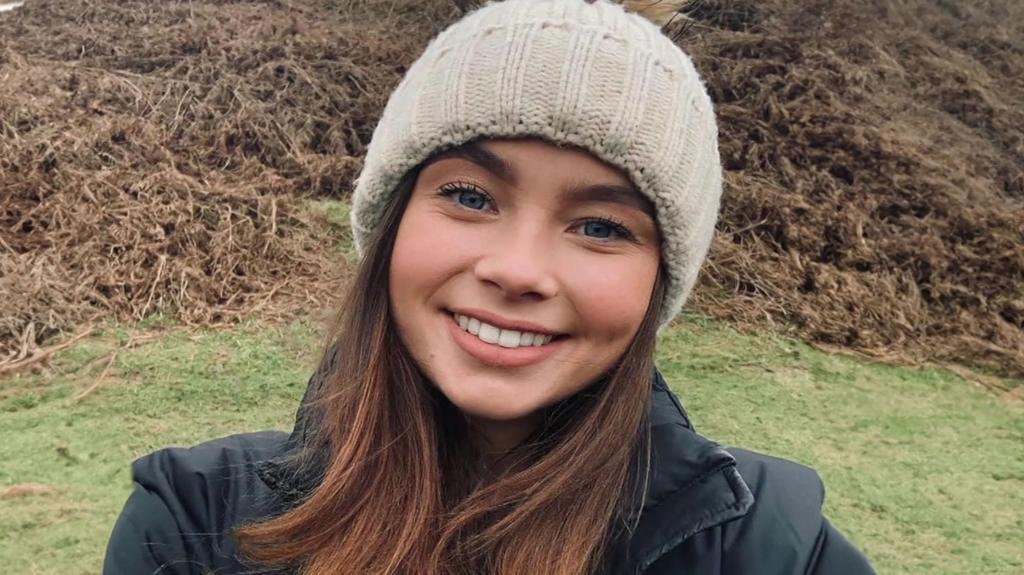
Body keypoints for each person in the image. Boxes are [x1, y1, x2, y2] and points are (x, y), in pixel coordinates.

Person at [103, 1, 876, 573]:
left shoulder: (770, 547)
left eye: (601, 226)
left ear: (658, 281)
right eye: (471, 196)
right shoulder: (192, 526)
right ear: (392, 223)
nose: (517, 269)